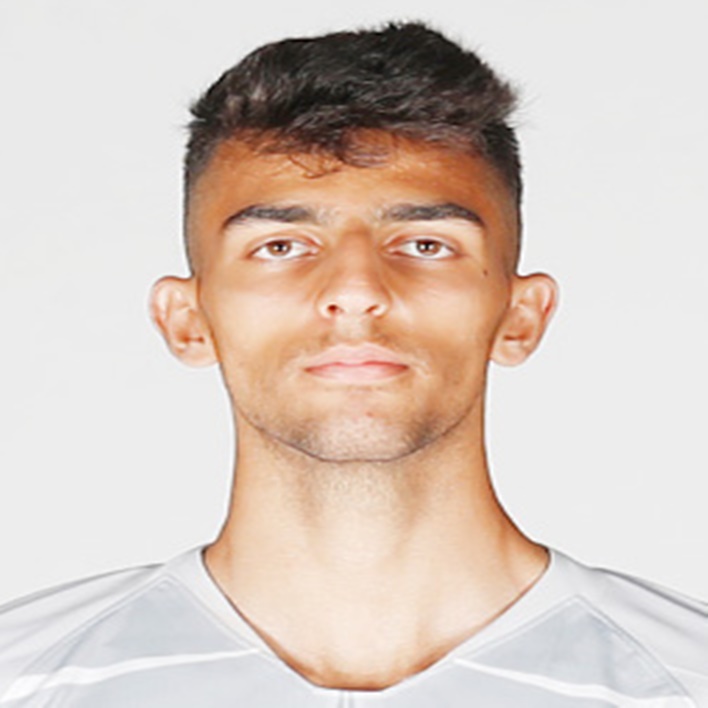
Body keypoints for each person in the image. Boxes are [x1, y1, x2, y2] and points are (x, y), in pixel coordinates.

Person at [1, 20, 706, 707]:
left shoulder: (683, 678)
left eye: (426, 244)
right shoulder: (24, 677)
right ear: (188, 320)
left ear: (520, 316)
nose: (357, 291)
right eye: (281, 247)